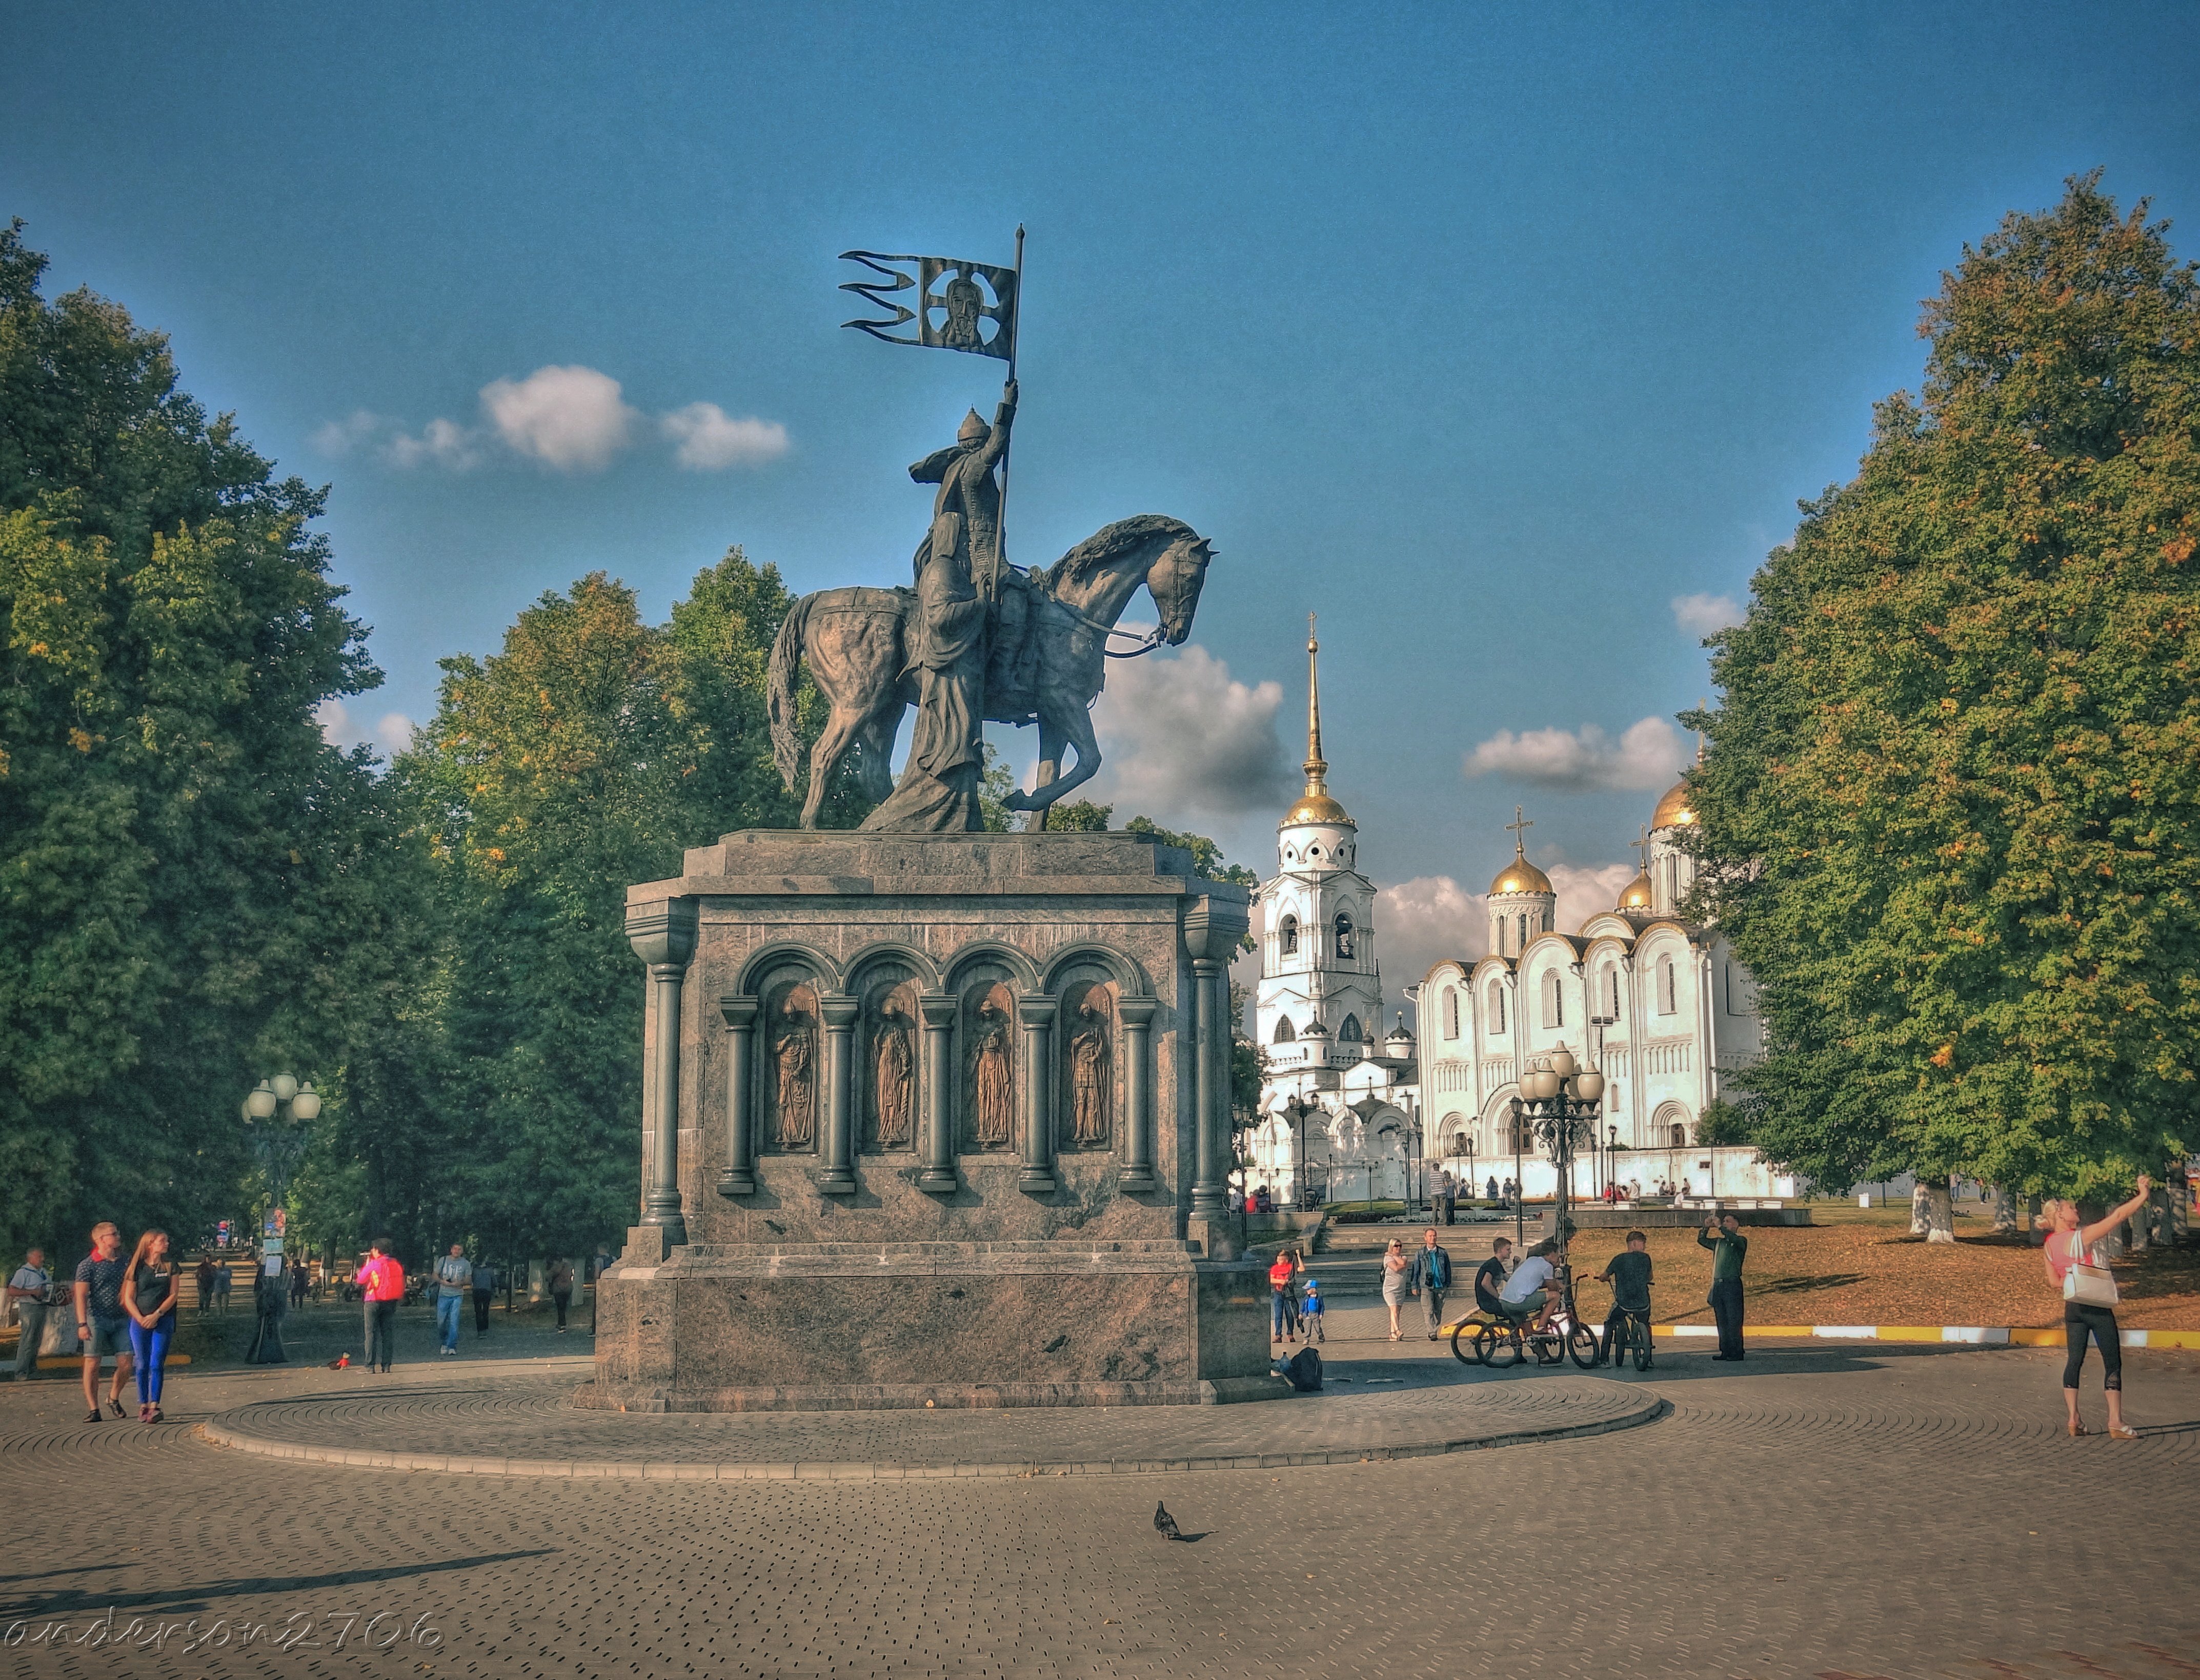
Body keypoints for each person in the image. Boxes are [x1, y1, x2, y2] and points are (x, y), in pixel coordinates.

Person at [2043, 1176, 2153, 1439]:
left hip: (2073, 1308)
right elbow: (2117, 1217)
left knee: (2074, 1360)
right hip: (2096, 1306)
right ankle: (2115, 1420)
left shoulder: (2048, 1244)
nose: (2077, 1211)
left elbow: (2054, 1282)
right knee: (2112, 1361)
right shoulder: (2079, 1238)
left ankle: (2073, 1419)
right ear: (2060, 1214)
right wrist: (2143, 1195)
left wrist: (2071, 1277)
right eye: (2072, 1208)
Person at [73, 1222, 133, 1422]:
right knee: (92, 1363)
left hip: (122, 1318)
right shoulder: (88, 1265)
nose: (118, 1236)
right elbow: (81, 1296)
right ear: (101, 1240)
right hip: (96, 1318)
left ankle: (113, 1397)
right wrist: (82, 1324)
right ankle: (94, 1409)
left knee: (127, 1363)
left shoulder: (126, 1261)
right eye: (113, 1234)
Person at [123, 1229, 179, 1421]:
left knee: (156, 1363)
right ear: (150, 1244)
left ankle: (155, 1405)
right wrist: (139, 1318)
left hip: (163, 1320)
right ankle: (143, 1405)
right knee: (142, 1363)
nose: (167, 1244)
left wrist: (157, 1314)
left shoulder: (171, 1266)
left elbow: (173, 1294)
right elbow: (128, 1298)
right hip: (139, 1322)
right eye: (163, 1241)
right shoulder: (137, 1268)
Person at [1593, 1230, 1654, 1366]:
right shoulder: (1646, 1258)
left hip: (1624, 1303)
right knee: (1645, 1323)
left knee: (1609, 1323)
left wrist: (1605, 1278)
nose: (1644, 1247)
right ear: (1634, 1243)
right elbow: (1650, 1277)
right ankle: (1648, 1358)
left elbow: (1604, 1276)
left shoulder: (1619, 1259)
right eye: (1643, 1244)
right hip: (1643, 1302)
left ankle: (1604, 1360)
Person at [1700, 1213, 1749, 1360]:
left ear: (1735, 1225)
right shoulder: (1719, 1243)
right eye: (1724, 1221)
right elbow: (1702, 1240)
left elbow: (1733, 1238)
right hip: (1719, 1284)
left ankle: (1737, 1351)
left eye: (1728, 1222)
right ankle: (1725, 1350)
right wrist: (1706, 1227)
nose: (1725, 1223)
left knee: (1734, 1320)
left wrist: (1720, 1227)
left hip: (1732, 1284)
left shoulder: (1740, 1241)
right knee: (1721, 1320)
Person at [358, 1239, 403, 1373]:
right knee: (387, 1333)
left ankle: (370, 1365)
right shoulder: (396, 1264)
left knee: (371, 1333)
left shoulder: (374, 1264)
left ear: (377, 1250)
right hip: (391, 1301)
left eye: (373, 1249)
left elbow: (361, 1280)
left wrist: (366, 1265)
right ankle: (387, 1365)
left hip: (373, 1299)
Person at [8, 1247, 51, 1383]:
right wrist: (32, 1292)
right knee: (28, 1340)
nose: (42, 1259)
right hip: (29, 1308)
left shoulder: (43, 1272)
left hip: (42, 1307)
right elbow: (12, 1290)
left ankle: (31, 1370)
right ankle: (21, 1372)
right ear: (30, 1258)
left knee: (36, 1341)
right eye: (39, 1257)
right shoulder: (23, 1272)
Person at [1497, 1239, 1559, 1330]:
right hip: (1518, 1301)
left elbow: (1532, 1282)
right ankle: (1541, 1327)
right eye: (1557, 1253)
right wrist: (1559, 1284)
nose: (1559, 1256)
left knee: (1529, 1332)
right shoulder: (1547, 1266)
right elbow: (1553, 1289)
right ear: (1551, 1253)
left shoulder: (1531, 1260)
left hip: (1505, 1301)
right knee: (1556, 1296)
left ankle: (1532, 1340)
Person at [1408, 1227, 1453, 1342]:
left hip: (1440, 1285)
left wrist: (1448, 1283)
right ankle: (1432, 1332)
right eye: (1430, 1236)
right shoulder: (1420, 1254)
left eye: (1434, 1236)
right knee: (1428, 1310)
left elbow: (1448, 1268)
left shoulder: (1443, 1252)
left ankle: (1435, 1328)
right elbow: (1416, 1271)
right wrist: (1414, 1286)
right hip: (1426, 1286)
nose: (1433, 1238)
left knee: (1438, 1310)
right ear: (1425, 1238)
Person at [434, 1243, 472, 1356]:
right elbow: (435, 1275)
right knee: (441, 1321)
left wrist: (459, 1283)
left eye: (459, 1249)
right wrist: (442, 1282)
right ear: (451, 1250)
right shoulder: (443, 1260)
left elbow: (469, 1280)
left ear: (462, 1251)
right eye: (455, 1249)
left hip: (457, 1295)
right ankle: (444, 1342)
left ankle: (451, 1346)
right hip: (443, 1295)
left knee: (454, 1321)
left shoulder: (466, 1263)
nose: (457, 1251)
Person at [1473, 1237, 1515, 1318]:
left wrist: (1516, 1265)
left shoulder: (1497, 1264)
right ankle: (1514, 1330)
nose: (1511, 1252)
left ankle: (1513, 1328)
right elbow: (1485, 1283)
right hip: (1488, 1302)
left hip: (1490, 1301)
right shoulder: (1493, 1264)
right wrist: (1499, 1298)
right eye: (1508, 1249)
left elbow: (1511, 1281)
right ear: (1500, 1250)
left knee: (1515, 1310)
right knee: (1515, 1311)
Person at [1380, 1238, 1411, 1341]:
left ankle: (1393, 1334)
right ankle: (1398, 1330)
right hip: (1390, 1289)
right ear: (1391, 1247)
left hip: (1401, 1289)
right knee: (1393, 1309)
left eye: (1400, 1246)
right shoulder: (1387, 1259)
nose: (1398, 1248)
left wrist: (1393, 1256)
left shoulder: (1404, 1257)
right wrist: (1398, 1261)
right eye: (1396, 1246)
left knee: (1397, 1312)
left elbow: (1403, 1263)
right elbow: (1396, 1268)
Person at [1267, 1247, 1300, 1345]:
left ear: (1286, 1260)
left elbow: (1302, 1269)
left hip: (1289, 1293)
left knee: (1290, 1314)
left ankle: (1290, 1333)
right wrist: (1281, 1281)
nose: (1279, 1261)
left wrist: (1298, 1256)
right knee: (1278, 1314)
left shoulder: (1290, 1267)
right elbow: (1271, 1280)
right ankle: (1278, 1334)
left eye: (1282, 1259)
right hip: (1278, 1293)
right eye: (1278, 1259)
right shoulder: (1275, 1268)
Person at [549, 1257, 575, 1332]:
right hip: (568, 1288)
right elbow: (571, 1275)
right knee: (563, 1306)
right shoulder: (569, 1266)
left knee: (560, 1307)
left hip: (558, 1289)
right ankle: (561, 1323)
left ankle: (562, 1324)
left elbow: (549, 1276)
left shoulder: (555, 1267)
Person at [1299, 1275, 1325, 1344]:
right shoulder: (1306, 1298)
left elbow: (1322, 1306)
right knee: (1308, 1328)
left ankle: (1321, 1337)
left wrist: (1321, 1314)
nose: (1307, 1291)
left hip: (1316, 1314)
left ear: (1314, 1290)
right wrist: (1301, 1313)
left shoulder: (1319, 1298)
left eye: (1308, 1289)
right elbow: (1303, 1305)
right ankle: (1306, 1339)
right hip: (1308, 1314)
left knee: (1318, 1328)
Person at [473, 1259, 497, 1334]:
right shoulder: (490, 1271)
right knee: (486, 1310)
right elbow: (494, 1281)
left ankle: (480, 1330)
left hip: (477, 1291)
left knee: (478, 1311)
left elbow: (472, 1280)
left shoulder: (475, 1270)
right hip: (487, 1291)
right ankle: (485, 1328)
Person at [194, 1254, 217, 1318]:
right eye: (208, 1259)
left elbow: (215, 1276)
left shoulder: (213, 1267)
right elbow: (197, 1276)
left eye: (210, 1259)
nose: (209, 1260)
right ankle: (201, 1310)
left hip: (210, 1284)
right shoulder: (200, 1267)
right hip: (202, 1285)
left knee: (208, 1298)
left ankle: (207, 1311)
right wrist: (199, 1283)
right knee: (202, 1298)